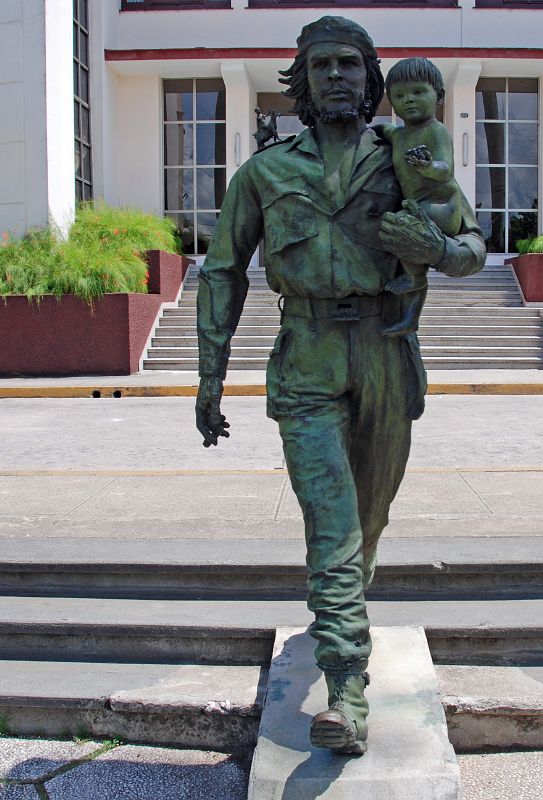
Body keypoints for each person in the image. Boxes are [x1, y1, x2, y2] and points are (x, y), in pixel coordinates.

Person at [195, 16, 485, 756]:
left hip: (386, 351)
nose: (334, 78)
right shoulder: (264, 172)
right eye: (320, 65)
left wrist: (440, 249)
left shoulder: (408, 158)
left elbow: (472, 245)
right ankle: (345, 691)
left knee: (369, 520)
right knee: (333, 526)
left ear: (371, 80)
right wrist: (210, 376)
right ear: (301, 79)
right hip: (307, 355)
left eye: (349, 66)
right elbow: (223, 270)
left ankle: (343, 613)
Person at [375, 57, 462, 336]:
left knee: (403, 229)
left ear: (438, 94)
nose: (408, 101)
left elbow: (446, 170)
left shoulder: (436, 131)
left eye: (418, 92)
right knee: (399, 231)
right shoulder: (398, 134)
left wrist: (428, 167)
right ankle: (409, 318)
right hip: (417, 208)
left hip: (441, 207)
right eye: (399, 96)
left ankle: (413, 276)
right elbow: (381, 130)